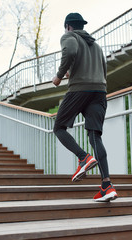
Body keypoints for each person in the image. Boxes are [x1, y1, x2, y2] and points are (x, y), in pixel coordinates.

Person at [52, 13, 118, 202]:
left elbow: (70, 52)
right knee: (95, 136)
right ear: (82, 26)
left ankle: (83, 158)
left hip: (79, 90)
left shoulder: (69, 37)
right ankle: (107, 185)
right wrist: (74, 72)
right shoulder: (96, 46)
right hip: (99, 91)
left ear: (68, 26)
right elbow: (103, 69)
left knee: (59, 127)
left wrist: (60, 74)